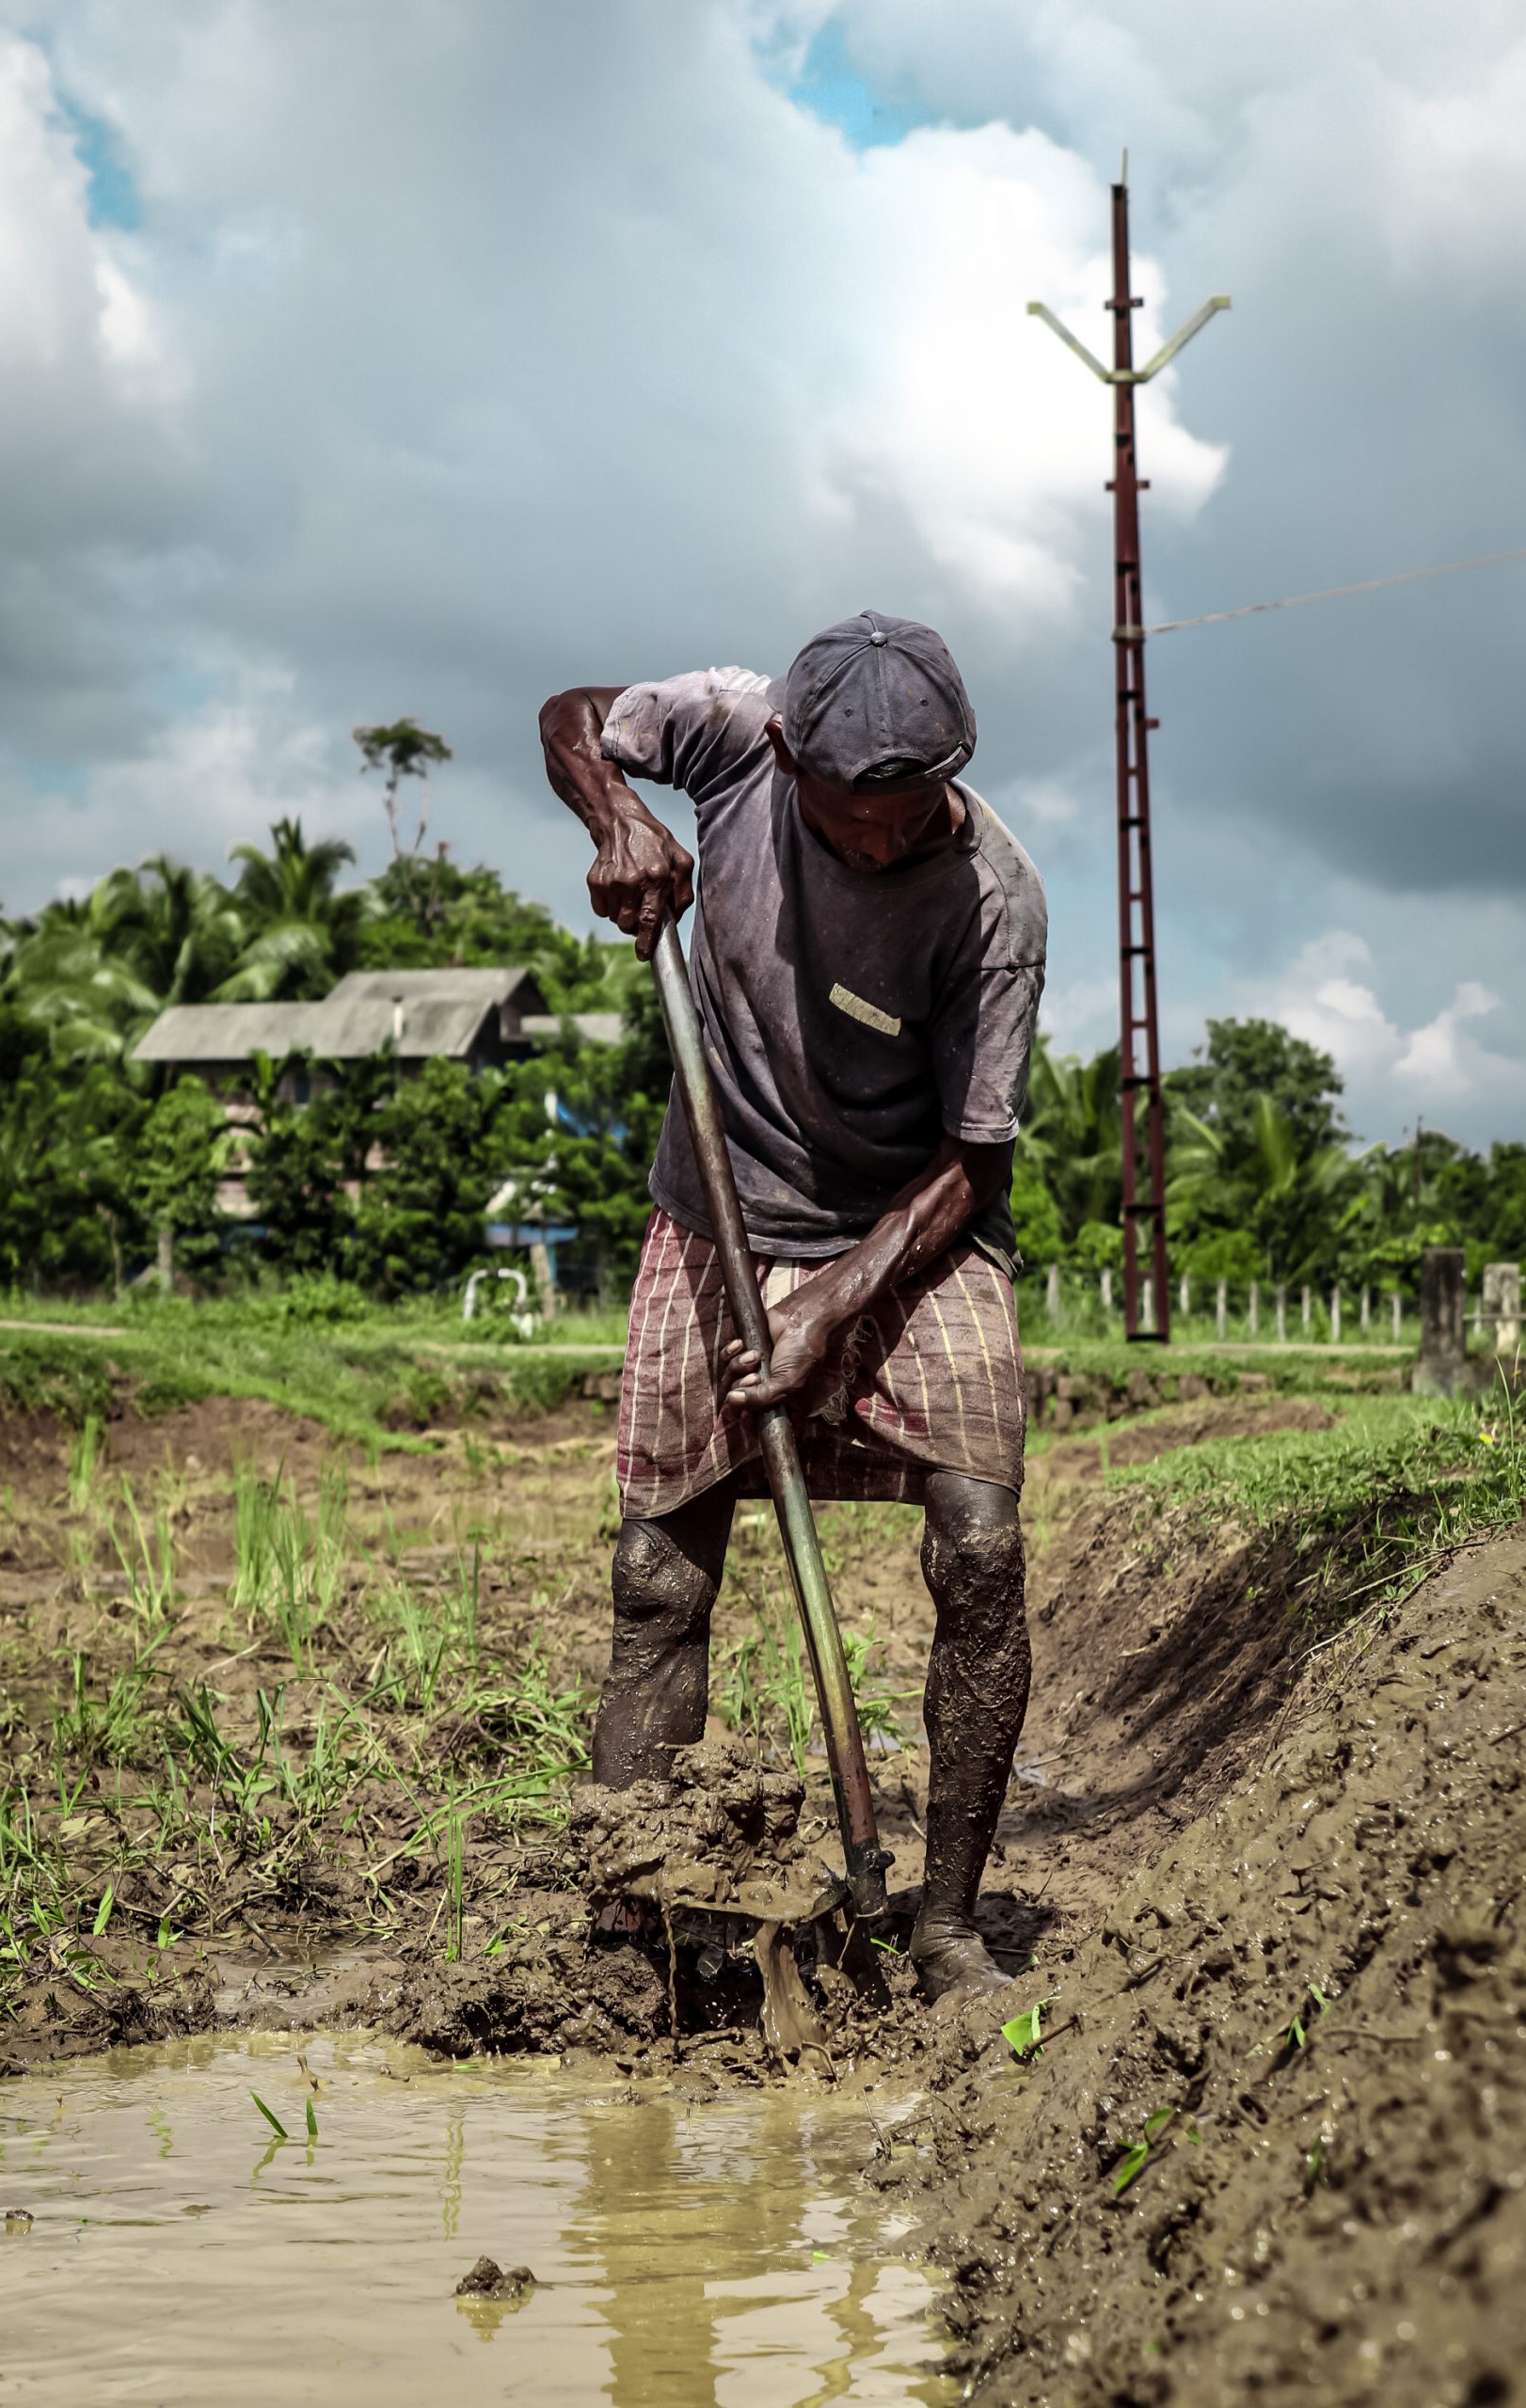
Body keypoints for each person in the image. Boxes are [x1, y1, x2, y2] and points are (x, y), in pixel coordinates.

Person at [538, 610, 1046, 2002]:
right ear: (783, 756)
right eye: (850, 819)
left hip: (909, 1229)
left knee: (983, 1548)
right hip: (719, 1201)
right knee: (657, 1576)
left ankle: (942, 1923)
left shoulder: (996, 903)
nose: (882, 844)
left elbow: (977, 1158)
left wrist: (838, 1300)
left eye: (909, 814)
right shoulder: (727, 726)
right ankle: (630, 1933)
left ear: (955, 767)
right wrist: (617, 819)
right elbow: (576, 709)